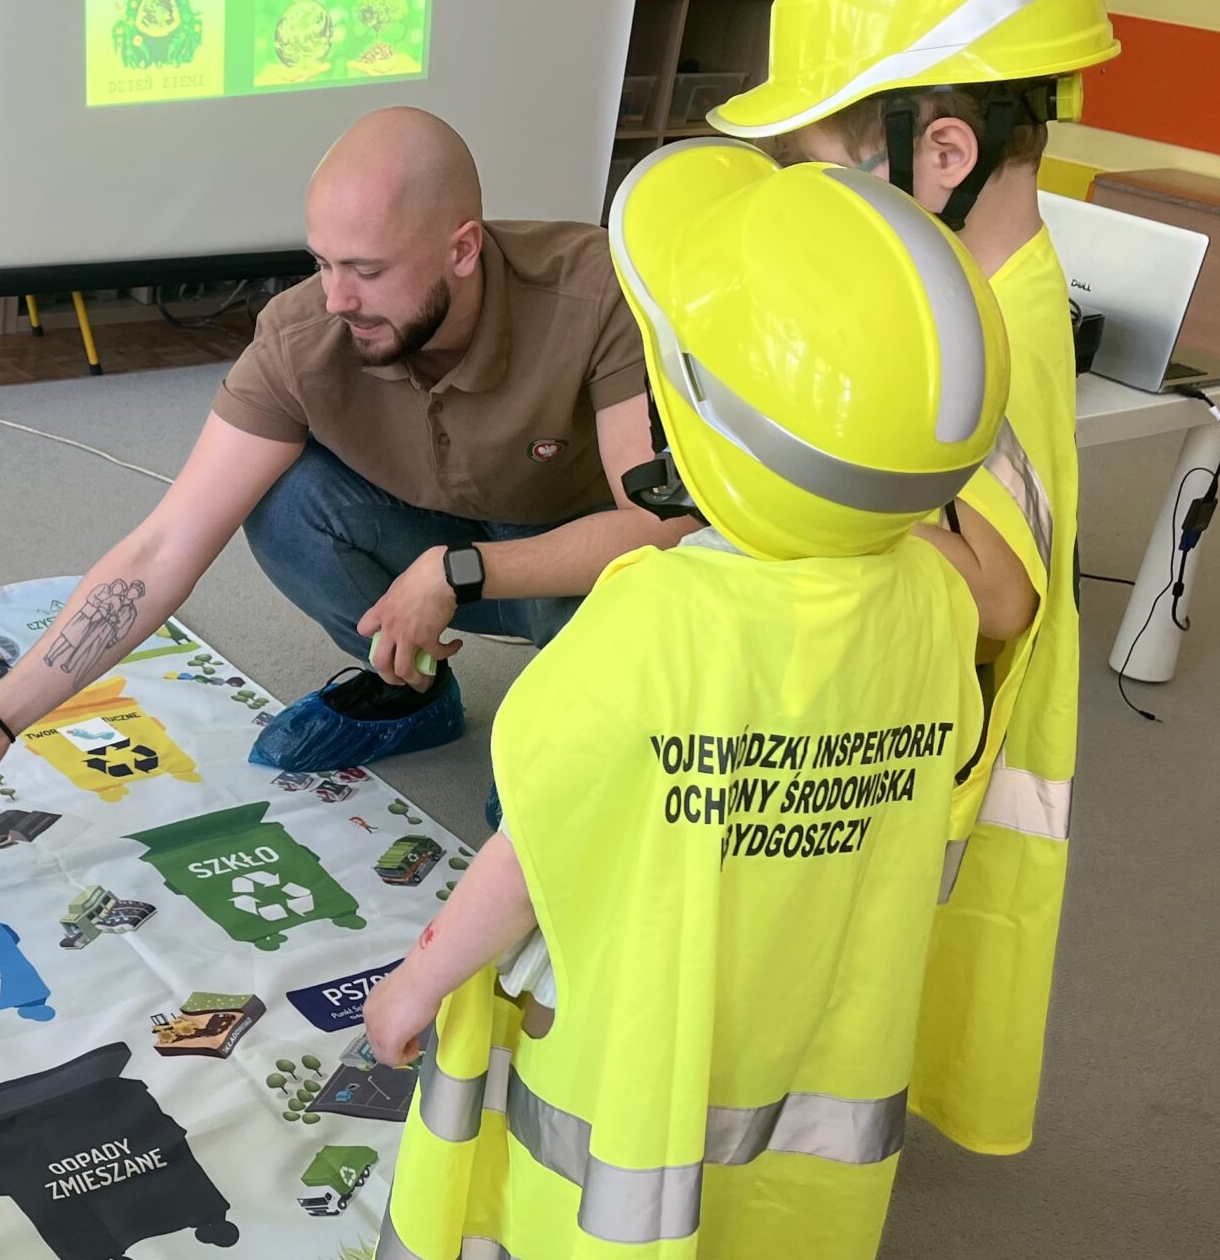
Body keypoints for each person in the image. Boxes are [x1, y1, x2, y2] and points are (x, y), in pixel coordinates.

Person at [361, 139, 1009, 1258]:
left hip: (630, 1069)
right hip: (815, 1047)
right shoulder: (934, 600)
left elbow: (534, 850)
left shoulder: (654, 614)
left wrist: (417, 982)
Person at [0, 107, 695, 820]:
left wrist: (456, 570)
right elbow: (162, 546)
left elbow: (664, 528)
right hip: (430, 544)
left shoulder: (596, 293)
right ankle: (411, 689)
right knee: (285, 499)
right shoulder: (301, 338)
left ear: (462, 249)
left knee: (545, 820)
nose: (336, 298)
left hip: (573, 567)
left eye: (367, 270)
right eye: (322, 262)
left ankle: (577, 710)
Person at [708, 0, 1117, 1156]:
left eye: (819, 167)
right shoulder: (959, 286)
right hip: (899, 724)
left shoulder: (1000, 335)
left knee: (815, 1011)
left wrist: (811, 490)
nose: (807, 195)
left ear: (941, 154)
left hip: (911, 759)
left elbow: (999, 593)